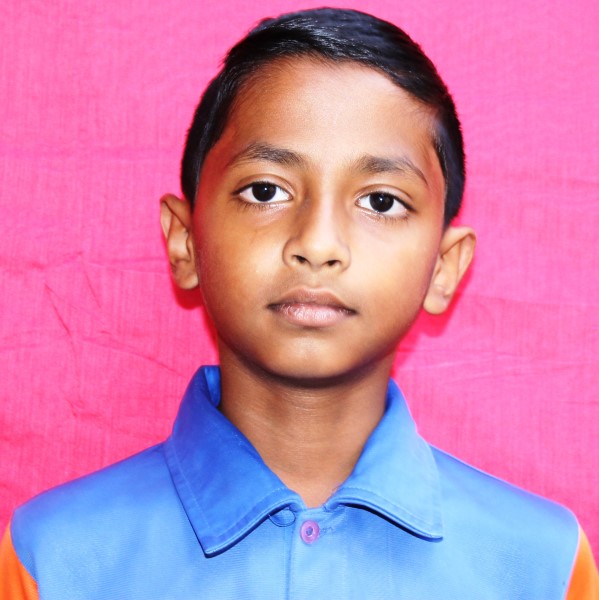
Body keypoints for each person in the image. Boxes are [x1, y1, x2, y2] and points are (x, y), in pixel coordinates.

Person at [1, 8, 597, 599]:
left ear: (444, 267)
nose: (317, 243)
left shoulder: (543, 565)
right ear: (186, 242)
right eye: (266, 191)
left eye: (381, 202)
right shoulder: (53, 561)